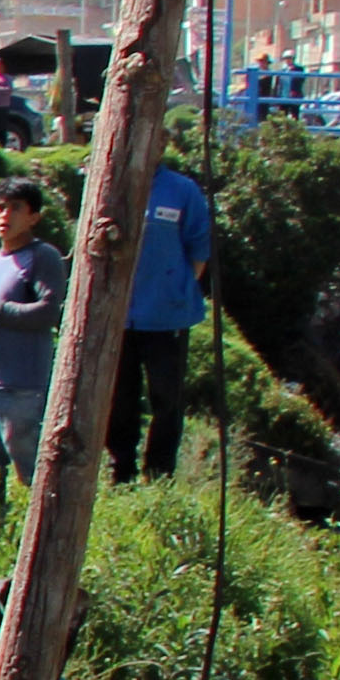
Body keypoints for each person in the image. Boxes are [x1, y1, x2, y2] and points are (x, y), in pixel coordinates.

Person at [108, 153, 217, 484]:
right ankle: (120, 469)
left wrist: (175, 287)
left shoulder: (182, 190)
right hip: (119, 317)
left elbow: (200, 248)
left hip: (167, 317)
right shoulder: (114, 186)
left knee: (167, 400)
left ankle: (158, 474)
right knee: (120, 397)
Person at [0, 178, 67, 494]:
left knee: (32, 473)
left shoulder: (43, 256)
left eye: (15, 208)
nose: (4, 215)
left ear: (33, 217)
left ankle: (40, 537)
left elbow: (49, 312)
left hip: (23, 387)